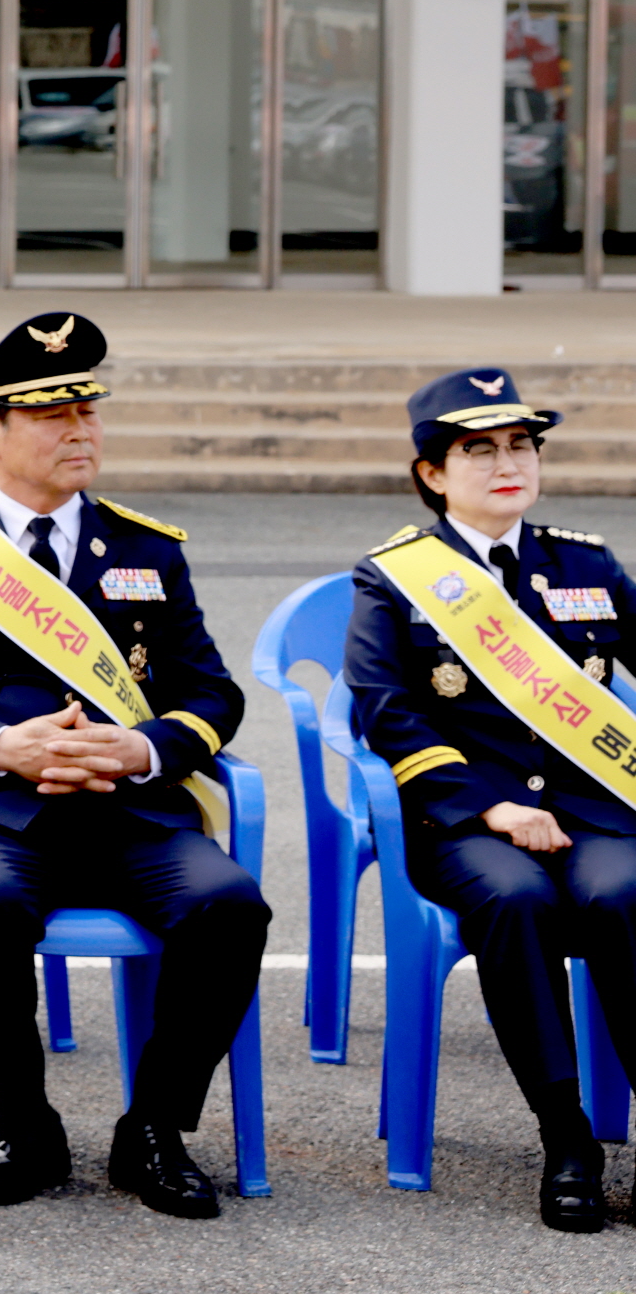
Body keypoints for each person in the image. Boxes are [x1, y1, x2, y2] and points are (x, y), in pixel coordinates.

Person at [0, 312, 265, 1218]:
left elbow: (216, 694)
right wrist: (4, 745)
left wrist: (145, 745)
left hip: (132, 810)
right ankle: (26, 1123)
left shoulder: (149, 549)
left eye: (86, 408)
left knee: (230, 907)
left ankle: (153, 1127)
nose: (79, 428)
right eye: (50, 414)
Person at [344, 368, 636, 1232]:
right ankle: (567, 1137)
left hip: (592, 811)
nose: (507, 463)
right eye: (479, 449)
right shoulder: (393, 578)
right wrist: (489, 807)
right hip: (466, 819)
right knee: (517, 901)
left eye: (520, 445)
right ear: (433, 471)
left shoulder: (586, 563)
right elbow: (382, 707)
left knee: (620, 893)